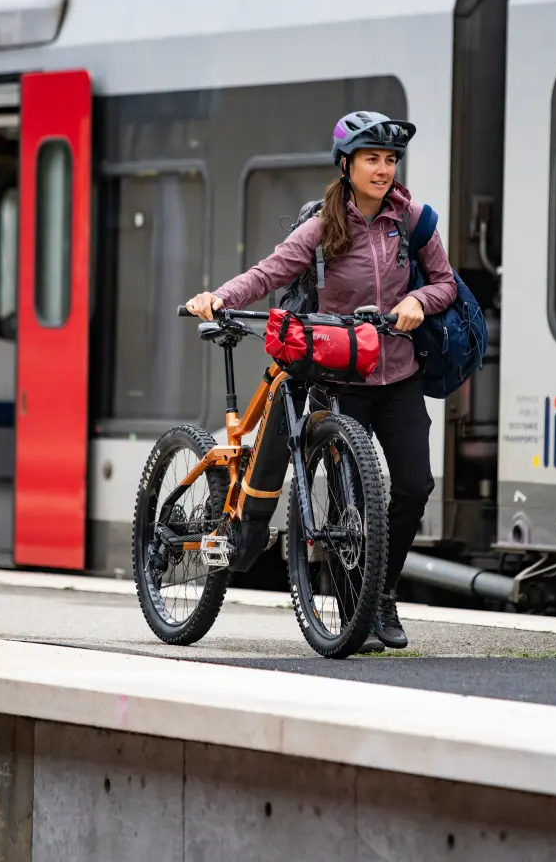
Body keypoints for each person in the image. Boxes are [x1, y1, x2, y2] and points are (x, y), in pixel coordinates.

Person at [186, 110, 457, 652]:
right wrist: (220, 298)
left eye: (390, 160)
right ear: (346, 165)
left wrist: (416, 301)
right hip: (342, 376)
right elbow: (270, 272)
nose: (383, 169)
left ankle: (380, 593)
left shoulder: (414, 221)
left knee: (413, 487)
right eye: (372, 159)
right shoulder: (323, 227)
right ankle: (357, 605)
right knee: (349, 494)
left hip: (398, 370)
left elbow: (446, 283)